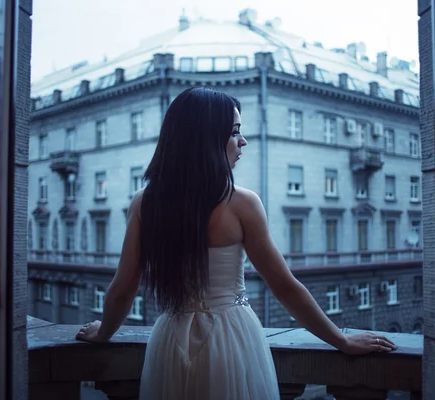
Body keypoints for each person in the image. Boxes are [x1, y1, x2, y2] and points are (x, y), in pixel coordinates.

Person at [75, 87, 397, 399]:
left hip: (170, 341)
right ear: (205, 140)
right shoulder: (241, 203)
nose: (242, 141)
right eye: (234, 132)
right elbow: (284, 287)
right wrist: (341, 340)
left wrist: (103, 333)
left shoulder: (145, 203)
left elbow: (123, 287)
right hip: (231, 336)